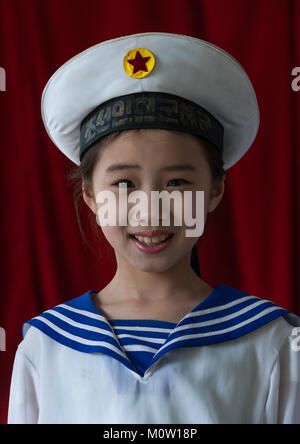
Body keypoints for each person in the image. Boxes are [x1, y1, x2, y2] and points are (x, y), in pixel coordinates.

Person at [8, 32, 300, 424]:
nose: (150, 211)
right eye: (124, 184)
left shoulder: (271, 340)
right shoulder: (47, 346)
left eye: (177, 183)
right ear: (91, 196)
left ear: (214, 191)